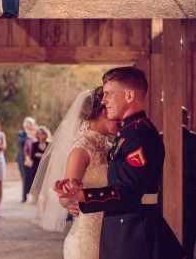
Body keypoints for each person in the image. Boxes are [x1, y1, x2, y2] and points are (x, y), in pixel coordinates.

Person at [55, 67, 185, 259]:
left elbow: (129, 192)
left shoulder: (139, 134)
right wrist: (77, 197)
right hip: (121, 228)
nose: (104, 100)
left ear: (129, 95)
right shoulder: (125, 133)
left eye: (109, 94)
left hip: (134, 232)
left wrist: (84, 196)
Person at [31, 87, 117, 259]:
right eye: (113, 111)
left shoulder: (108, 146)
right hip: (88, 241)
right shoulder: (82, 148)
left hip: (111, 235)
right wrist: (74, 199)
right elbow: (64, 198)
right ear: (102, 112)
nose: (120, 118)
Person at [182, 107, 196, 259]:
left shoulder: (160, 138)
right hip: (191, 198)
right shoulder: (194, 140)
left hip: (162, 195)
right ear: (188, 119)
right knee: (188, 238)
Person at [17, 117, 35, 203]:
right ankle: (24, 197)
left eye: (32, 124)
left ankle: (33, 195)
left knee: (32, 176)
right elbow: (20, 142)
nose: (32, 125)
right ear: (26, 124)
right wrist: (28, 136)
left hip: (32, 159)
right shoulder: (21, 133)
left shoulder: (34, 133)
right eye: (30, 123)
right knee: (25, 177)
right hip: (22, 159)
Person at [30, 126, 50, 190]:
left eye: (43, 133)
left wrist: (38, 154)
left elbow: (50, 156)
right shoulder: (34, 144)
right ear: (37, 135)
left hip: (46, 167)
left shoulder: (49, 144)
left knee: (45, 185)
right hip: (36, 167)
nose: (41, 134)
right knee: (36, 186)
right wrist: (44, 155)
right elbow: (32, 155)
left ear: (45, 134)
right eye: (39, 133)